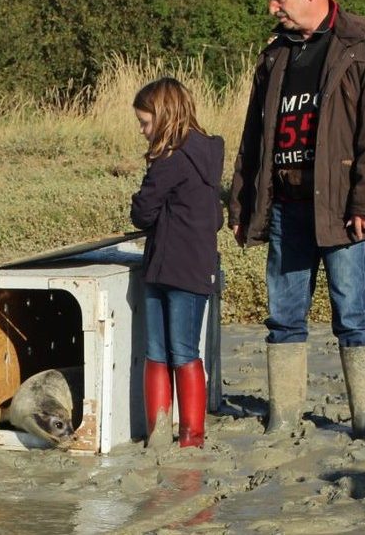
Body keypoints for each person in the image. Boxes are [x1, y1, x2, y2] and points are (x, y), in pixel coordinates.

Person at [228, 0, 365, 439]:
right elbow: (254, 136)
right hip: (286, 206)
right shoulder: (275, 53)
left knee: (352, 313)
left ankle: (364, 420)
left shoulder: (364, 41)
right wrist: (242, 203)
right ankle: (283, 419)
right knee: (283, 316)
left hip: (342, 208)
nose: (271, 8)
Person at [130, 78, 224, 449]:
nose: (142, 130)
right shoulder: (207, 156)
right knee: (185, 351)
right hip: (196, 267)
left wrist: (145, 203)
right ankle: (191, 437)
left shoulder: (168, 161)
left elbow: (142, 212)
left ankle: (162, 434)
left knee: (161, 351)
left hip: (165, 267)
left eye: (145, 122)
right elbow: (213, 218)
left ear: (165, 117)